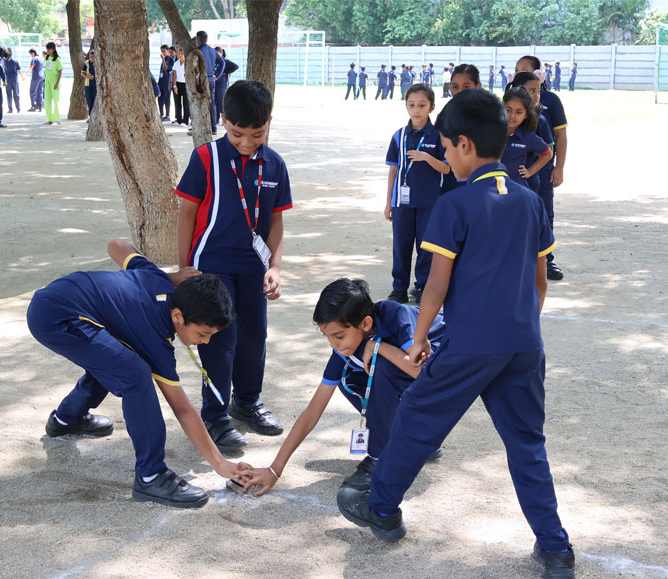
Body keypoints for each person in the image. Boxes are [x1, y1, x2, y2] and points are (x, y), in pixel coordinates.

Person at [335, 88, 575, 579]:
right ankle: (555, 548)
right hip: (524, 344)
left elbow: (436, 285)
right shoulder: (531, 202)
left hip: (469, 345)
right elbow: (539, 282)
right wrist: (523, 327)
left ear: (464, 144)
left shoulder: (455, 203)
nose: (446, 155)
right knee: (527, 445)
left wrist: (419, 336)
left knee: (416, 418)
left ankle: (381, 508)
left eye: (446, 147)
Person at [28, 239, 253, 508]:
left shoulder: (157, 278)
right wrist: (219, 463)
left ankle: (65, 420)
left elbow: (116, 245)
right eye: (203, 333)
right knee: (134, 374)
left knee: (116, 359)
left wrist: (170, 276)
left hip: (61, 298)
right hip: (56, 318)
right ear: (178, 316)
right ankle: (151, 476)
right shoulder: (154, 336)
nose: (204, 342)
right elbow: (182, 408)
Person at [238, 279, 445, 496]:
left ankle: (379, 460)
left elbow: (427, 376)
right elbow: (313, 411)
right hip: (414, 378)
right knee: (348, 380)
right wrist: (274, 469)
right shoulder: (344, 349)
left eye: (338, 336)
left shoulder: (395, 315)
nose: (333, 345)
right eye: (327, 337)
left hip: (445, 368)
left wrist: (379, 347)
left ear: (365, 323)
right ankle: (412, 440)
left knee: (382, 364)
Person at [174, 80, 292, 451]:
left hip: (253, 266)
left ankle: (247, 401)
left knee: (254, 335)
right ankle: (215, 415)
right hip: (211, 264)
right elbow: (187, 213)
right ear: (223, 120)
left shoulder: (275, 164)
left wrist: (275, 267)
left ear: (269, 122)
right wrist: (183, 269)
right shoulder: (205, 158)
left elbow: (276, 220)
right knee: (221, 337)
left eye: (257, 134)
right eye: (238, 133)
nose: (246, 142)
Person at [384, 83, 449, 305]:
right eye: (411, 105)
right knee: (401, 246)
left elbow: (447, 168)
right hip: (402, 202)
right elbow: (393, 170)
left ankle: (422, 287)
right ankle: (399, 288)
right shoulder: (399, 136)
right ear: (406, 106)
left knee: (426, 247)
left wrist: (427, 157)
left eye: (422, 105)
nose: (416, 110)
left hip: (429, 202)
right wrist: (389, 202)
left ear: (432, 107)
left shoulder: (438, 136)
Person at [516, 55, 567, 280]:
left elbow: (560, 137)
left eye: (525, 69)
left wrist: (559, 168)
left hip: (542, 170)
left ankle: (546, 260)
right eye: (517, 69)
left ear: (538, 73)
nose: (520, 72)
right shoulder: (509, 102)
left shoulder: (550, 102)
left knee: (544, 212)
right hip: (515, 173)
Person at [511, 71, 555, 197]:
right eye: (531, 91)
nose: (536, 96)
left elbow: (549, 151)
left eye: (538, 91)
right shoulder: (505, 119)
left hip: (528, 182)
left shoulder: (540, 121)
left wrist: (530, 171)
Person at [501, 86, 552, 188]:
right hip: (491, 189)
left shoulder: (528, 137)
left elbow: (547, 154)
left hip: (516, 190)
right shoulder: (491, 131)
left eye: (518, 112)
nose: (512, 116)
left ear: (526, 114)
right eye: (508, 110)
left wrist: (530, 171)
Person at [194, 31, 224, 133]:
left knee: (200, 102)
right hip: (211, 79)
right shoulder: (213, 51)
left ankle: (201, 126)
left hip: (202, 79)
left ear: (199, 39)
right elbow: (222, 62)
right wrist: (218, 75)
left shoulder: (198, 51)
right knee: (212, 103)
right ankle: (213, 127)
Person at [214, 47, 238, 123]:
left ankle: (225, 119)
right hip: (215, 83)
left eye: (217, 53)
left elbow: (235, 66)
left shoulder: (225, 61)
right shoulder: (214, 61)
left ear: (221, 53)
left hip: (222, 84)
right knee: (215, 101)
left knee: (222, 101)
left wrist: (225, 72)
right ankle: (216, 119)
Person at [43, 42, 63, 125]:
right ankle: (49, 119)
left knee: (55, 100)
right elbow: (46, 71)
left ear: (53, 49)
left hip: (55, 81)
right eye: (47, 49)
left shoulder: (57, 59)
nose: (47, 51)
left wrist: (57, 83)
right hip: (47, 81)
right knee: (47, 101)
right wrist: (44, 81)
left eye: (49, 49)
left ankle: (56, 119)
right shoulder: (47, 58)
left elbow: (60, 72)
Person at [171, 46, 189, 127]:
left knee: (185, 103)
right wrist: (174, 86)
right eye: (179, 54)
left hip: (185, 84)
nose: (180, 56)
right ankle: (178, 119)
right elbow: (174, 75)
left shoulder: (187, 63)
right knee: (178, 102)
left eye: (182, 54)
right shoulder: (176, 63)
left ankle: (185, 121)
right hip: (178, 84)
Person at [2, 47, 23, 114]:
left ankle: (10, 109)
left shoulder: (3, 62)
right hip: (15, 80)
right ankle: (18, 108)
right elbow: (19, 70)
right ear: (12, 54)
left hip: (7, 80)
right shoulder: (15, 61)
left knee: (9, 95)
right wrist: (22, 77)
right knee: (16, 94)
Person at [158, 45, 173, 121]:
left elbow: (166, 68)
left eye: (164, 51)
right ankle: (161, 114)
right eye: (162, 51)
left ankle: (167, 115)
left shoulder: (170, 59)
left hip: (167, 80)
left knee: (167, 97)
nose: (163, 53)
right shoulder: (163, 59)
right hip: (161, 80)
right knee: (160, 97)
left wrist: (163, 59)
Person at [81, 50, 96, 117]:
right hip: (88, 85)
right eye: (90, 57)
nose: (92, 59)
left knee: (95, 100)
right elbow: (82, 73)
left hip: (96, 85)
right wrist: (87, 76)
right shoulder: (86, 63)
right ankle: (90, 116)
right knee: (89, 100)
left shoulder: (98, 63)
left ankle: (95, 116)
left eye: (93, 57)